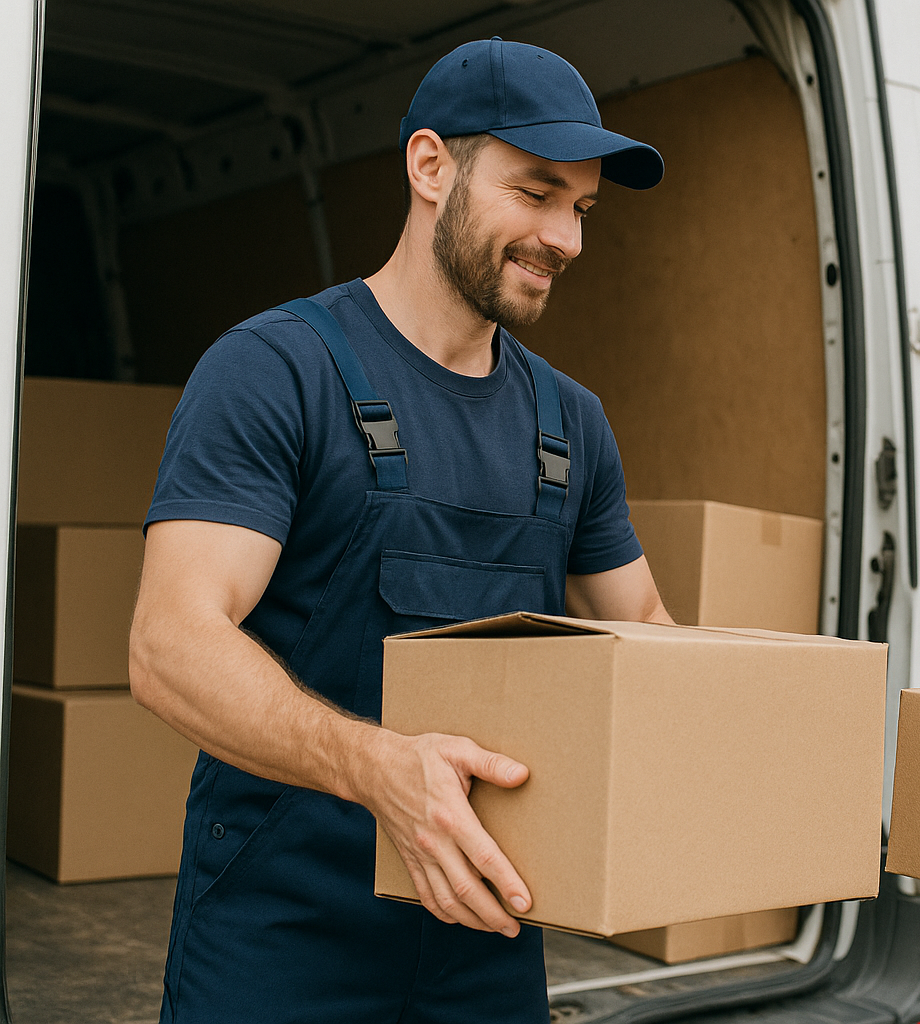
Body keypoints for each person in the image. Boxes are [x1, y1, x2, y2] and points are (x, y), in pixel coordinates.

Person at [128, 39, 671, 1024]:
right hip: (282, 939)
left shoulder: (570, 425)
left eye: (582, 209)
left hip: (492, 940)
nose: (569, 238)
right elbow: (170, 646)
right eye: (537, 192)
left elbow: (645, 634)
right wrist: (382, 771)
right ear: (431, 167)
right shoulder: (276, 371)